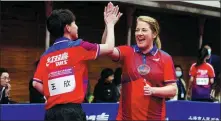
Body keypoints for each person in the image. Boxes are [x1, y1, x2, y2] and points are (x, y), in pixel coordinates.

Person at [32, 3, 122, 121]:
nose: (77, 27)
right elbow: (109, 47)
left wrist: (56, 95)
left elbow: (36, 83)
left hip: (51, 113)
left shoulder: (45, 56)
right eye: (74, 23)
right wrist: (110, 25)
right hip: (72, 112)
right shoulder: (79, 46)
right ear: (68, 28)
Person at [102, 7, 177, 120]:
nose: (139, 33)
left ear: (154, 34)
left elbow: (173, 90)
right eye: (137, 30)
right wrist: (109, 25)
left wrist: (153, 90)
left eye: (144, 30)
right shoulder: (128, 52)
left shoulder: (165, 58)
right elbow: (107, 49)